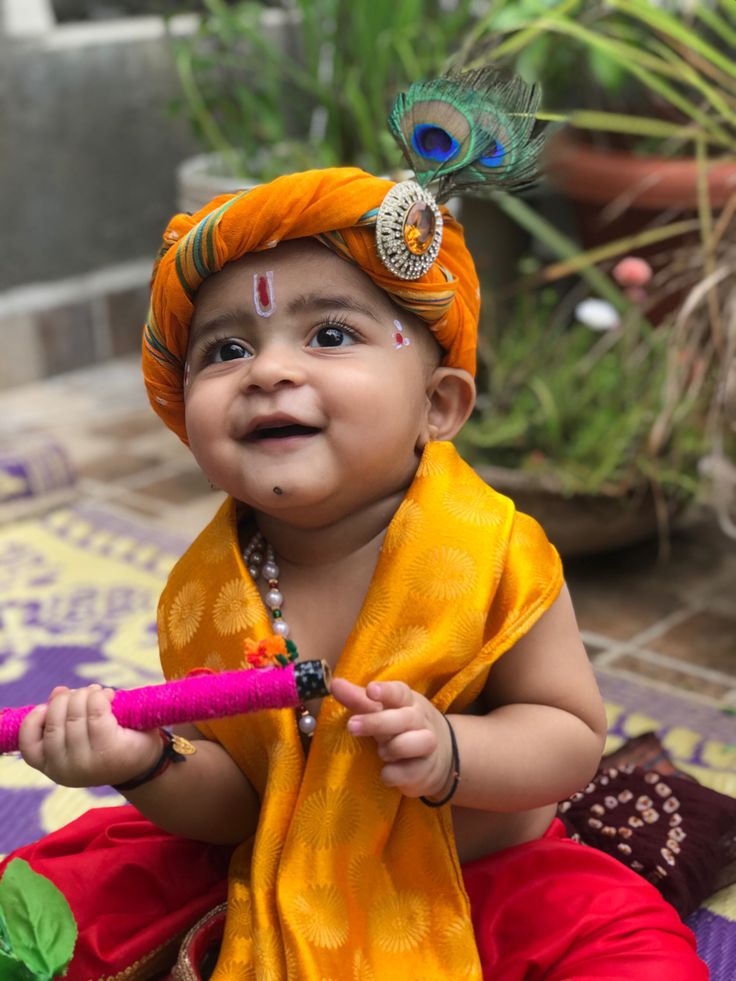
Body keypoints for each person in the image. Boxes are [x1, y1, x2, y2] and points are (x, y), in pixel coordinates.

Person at [8, 126, 707, 980]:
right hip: (273, 859)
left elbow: (568, 739)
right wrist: (144, 762)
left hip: (480, 866)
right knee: (41, 908)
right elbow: (234, 806)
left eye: (329, 335)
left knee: (636, 957)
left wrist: (453, 752)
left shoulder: (493, 553)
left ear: (439, 405)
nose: (267, 371)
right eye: (226, 350)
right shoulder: (205, 593)